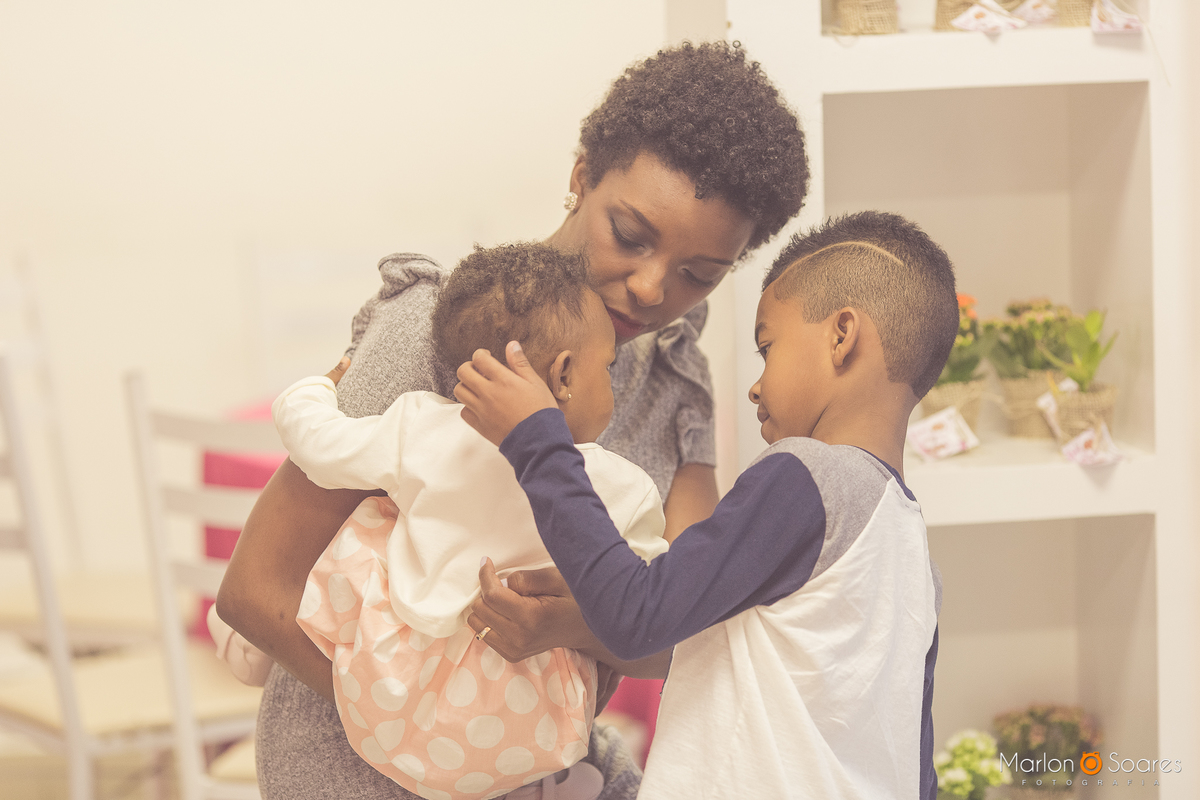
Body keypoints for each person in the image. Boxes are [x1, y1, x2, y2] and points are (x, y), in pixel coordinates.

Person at [216, 40, 808, 800]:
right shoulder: (441, 331)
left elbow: (689, 636)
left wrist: (575, 628)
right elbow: (255, 590)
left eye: (699, 275)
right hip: (362, 763)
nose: (651, 287)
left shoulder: (672, 381)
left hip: (537, 765)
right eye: (630, 236)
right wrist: (433, 736)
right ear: (580, 176)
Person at [455, 211, 954, 800]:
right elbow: (727, 655)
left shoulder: (808, 476)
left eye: (768, 347)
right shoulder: (910, 548)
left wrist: (537, 440)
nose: (755, 383)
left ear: (842, 336)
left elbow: (637, 614)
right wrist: (567, 625)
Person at [272, 243, 668, 799]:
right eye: (609, 365)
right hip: (529, 723)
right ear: (564, 374)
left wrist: (316, 389)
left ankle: (242, 649)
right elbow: (656, 596)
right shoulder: (624, 487)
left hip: (388, 700)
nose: (613, 379)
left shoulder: (423, 427)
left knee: (376, 517)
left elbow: (317, 447)